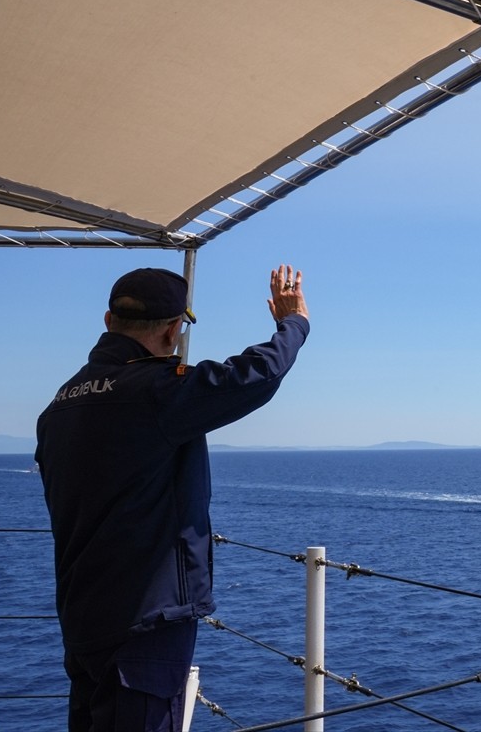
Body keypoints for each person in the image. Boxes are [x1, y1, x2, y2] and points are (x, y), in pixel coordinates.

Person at [36, 264, 309, 731]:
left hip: (84, 616)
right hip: (144, 618)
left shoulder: (59, 405)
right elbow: (254, 375)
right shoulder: (153, 391)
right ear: (172, 330)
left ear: (108, 321)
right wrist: (294, 324)